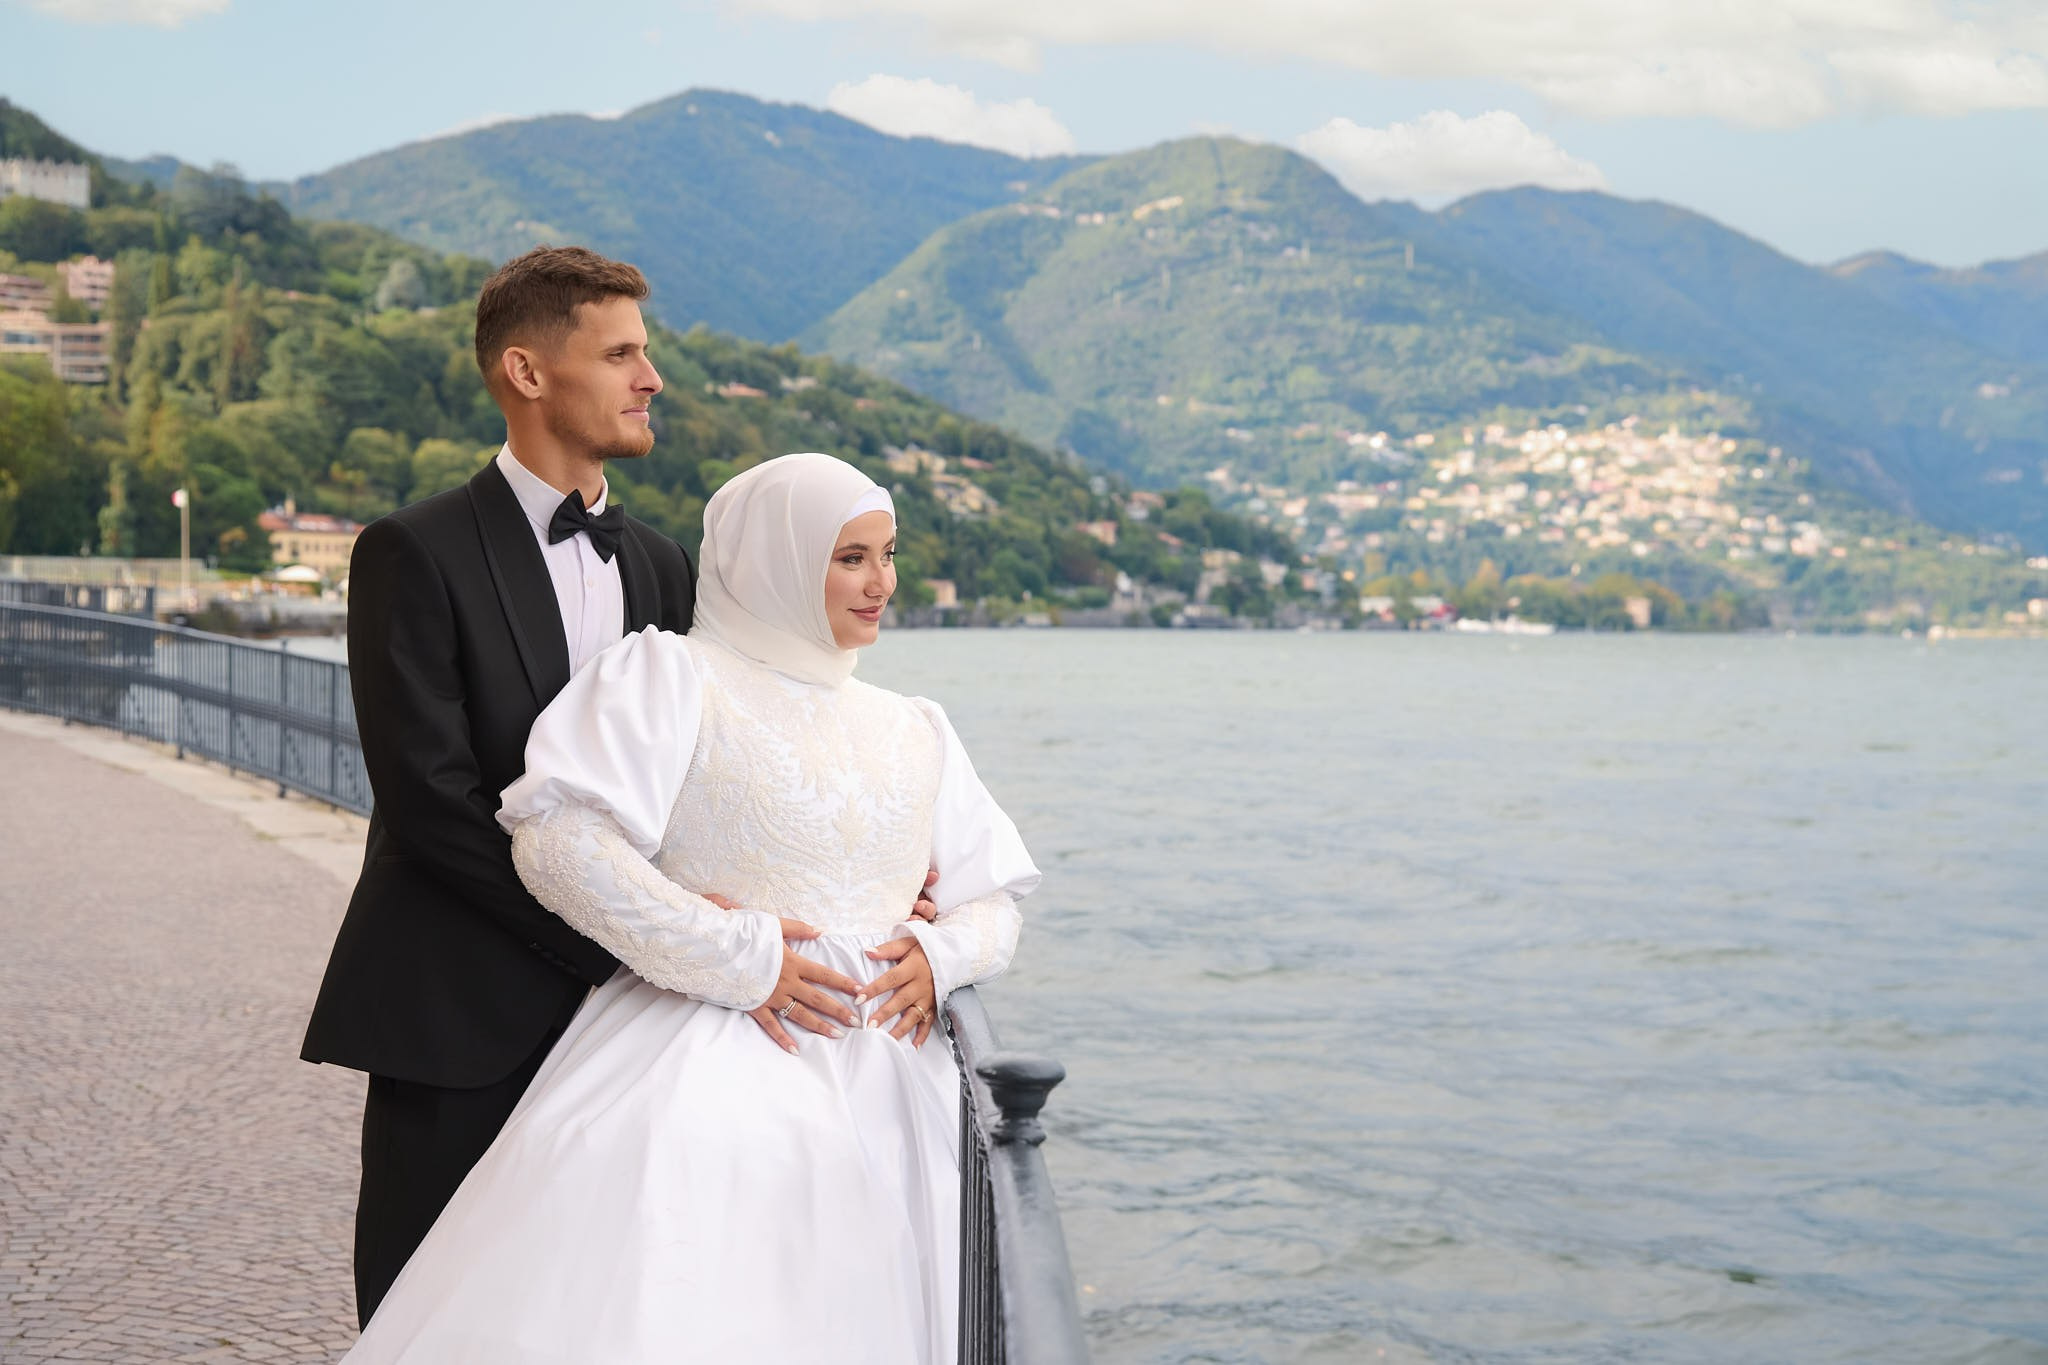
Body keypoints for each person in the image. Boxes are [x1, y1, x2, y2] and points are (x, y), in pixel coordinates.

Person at [299, 247, 894, 1325]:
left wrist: (890, 875)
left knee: (604, 1311)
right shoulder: (411, 552)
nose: (650, 377)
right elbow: (429, 800)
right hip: (460, 1004)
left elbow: (741, 759)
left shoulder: (664, 568)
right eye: (619, 353)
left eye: (646, 353)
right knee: (422, 1309)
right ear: (526, 373)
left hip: (644, 1024)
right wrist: (633, 937)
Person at [341, 451, 1038, 1363]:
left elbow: (994, 900)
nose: (883, 583)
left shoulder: (916, 724)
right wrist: (733, 953)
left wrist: (942, 956)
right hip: (709, 1056)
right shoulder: (673, 677)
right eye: (852, 558)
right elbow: (559, 841)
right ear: (783, 563)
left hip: (898, 1088)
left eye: (888, 553)